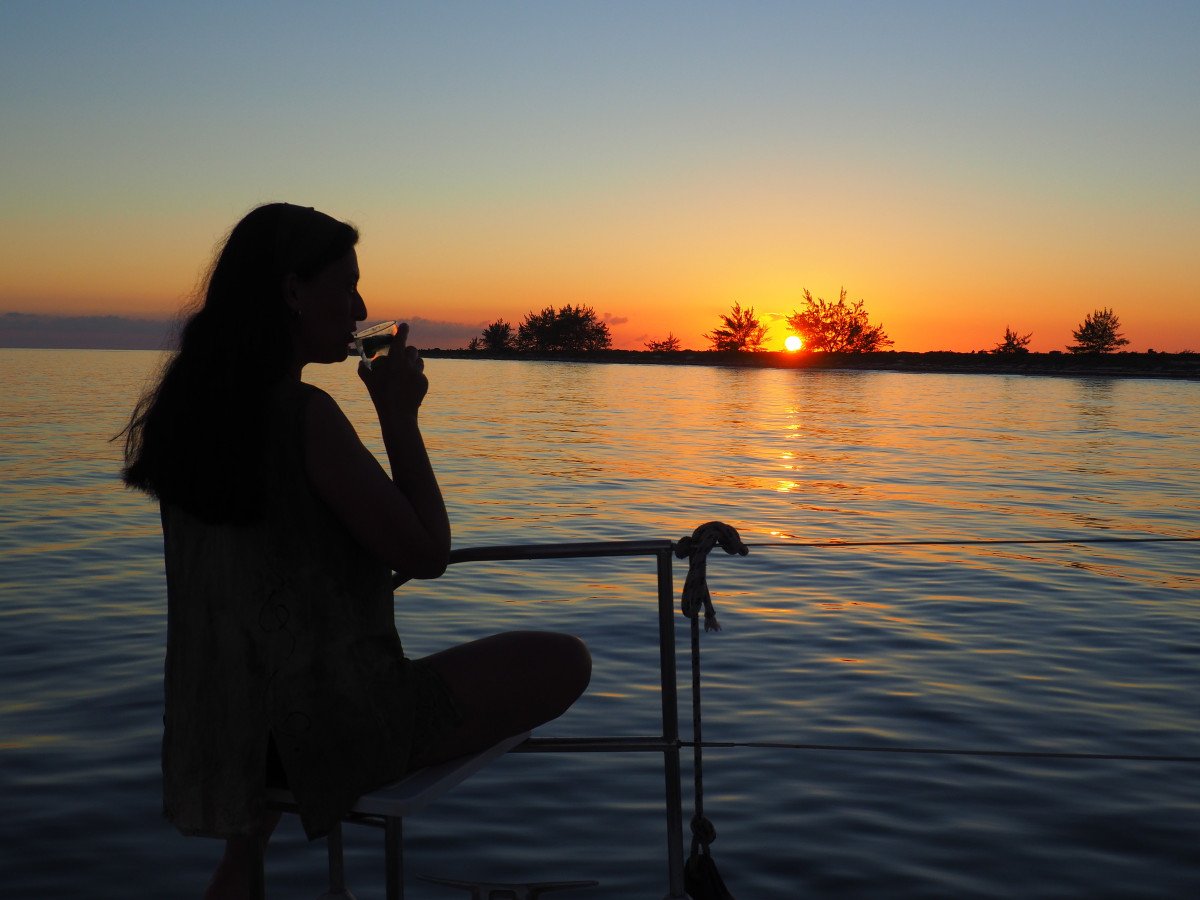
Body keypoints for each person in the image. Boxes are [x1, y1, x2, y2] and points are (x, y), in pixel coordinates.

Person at [121, 203, 591, 899]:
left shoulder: (186, 421)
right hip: (329, 729)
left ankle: (240, 863)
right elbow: (429, 551)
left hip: (220, 729)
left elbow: (268, 556)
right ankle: (355, 779)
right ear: (292, 292)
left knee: (296, 681)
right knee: (564, 662)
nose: (360, 306)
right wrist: (398, 415)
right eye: (346, 286)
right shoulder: (303, 416)